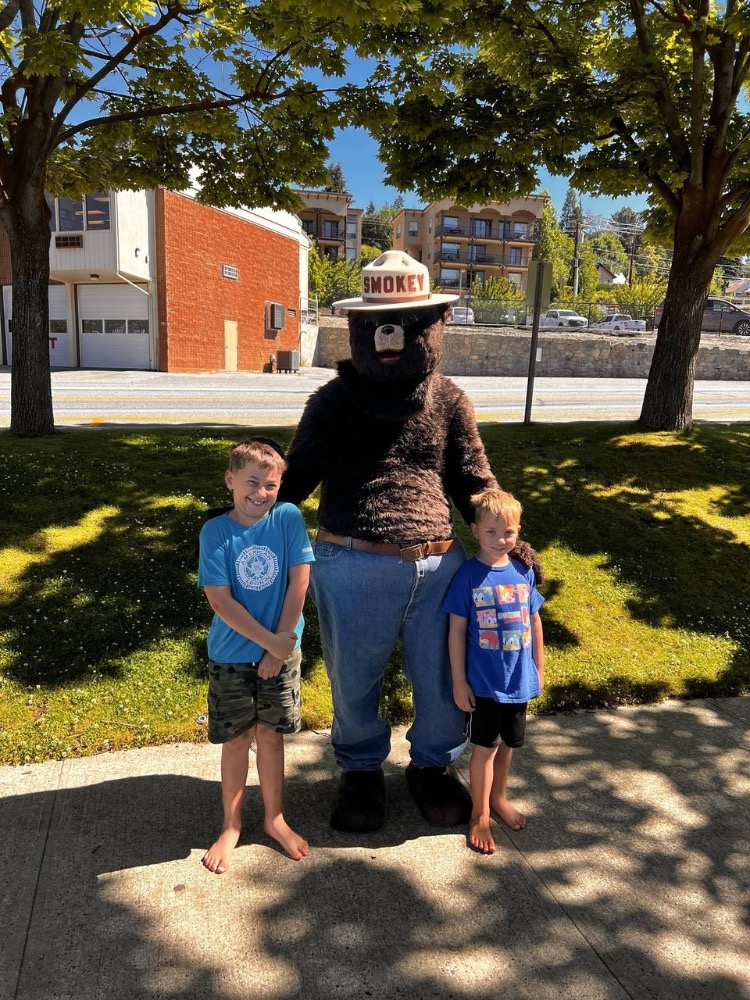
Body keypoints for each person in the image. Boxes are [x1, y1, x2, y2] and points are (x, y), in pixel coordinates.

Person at [198, 439, 314, 871]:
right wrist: (271, 643)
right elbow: (221, 602)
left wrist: (281, 643)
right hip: (232, 654)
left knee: (270, 736)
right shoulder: (215, 532)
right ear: (230, 480)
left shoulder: (287, 518)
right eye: (251, 482)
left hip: (281, 649)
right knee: (236, 739)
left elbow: (298, 584)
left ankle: (274, 818)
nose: (260, 493)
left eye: (270, 485)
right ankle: (231, 825)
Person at [443, 488, 545, 854]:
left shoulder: (523, 571)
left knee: (507, 746)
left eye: (509, 533)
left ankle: (499, 798)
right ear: (474, 530)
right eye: (491, 532)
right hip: (484, 685)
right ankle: (480, 813)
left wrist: (538, 668)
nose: (501, 540)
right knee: (485, 748)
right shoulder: (468, 576)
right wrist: (458, 680)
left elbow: (534, 621)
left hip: (518, 682)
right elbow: (455, 631)